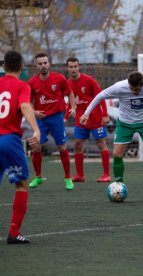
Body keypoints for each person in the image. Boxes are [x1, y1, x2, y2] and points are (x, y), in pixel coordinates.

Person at [79, 71, 143, 193]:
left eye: (136, 89)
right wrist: (86, 113)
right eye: (131, 89)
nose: (134, 92)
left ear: (142, 84)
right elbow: (100, 95)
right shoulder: (120, 87)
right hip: (125, 124)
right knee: (117, 154)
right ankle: (119, 185)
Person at [0, 50, 41, 244]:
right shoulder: (22, 86)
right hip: (8, 140)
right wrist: (36, 130)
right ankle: (14, 232)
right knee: (22, 185)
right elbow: (25, 106)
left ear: (4, 67)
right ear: (22, 67)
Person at [28, 52, 76, 190]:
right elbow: (28, 102)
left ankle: (68, 178)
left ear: (49, 64)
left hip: (56, 117)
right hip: (41, 120)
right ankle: (38, 177)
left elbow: (70, 93)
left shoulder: (59, 78)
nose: (43, 66)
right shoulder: (32, 82)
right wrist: (35, 112)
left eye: (45, 63)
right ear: (36, 66)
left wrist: (73, 107)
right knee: (36, 147)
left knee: (62, 147)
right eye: (40, 64)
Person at [65, 57, 111, 182]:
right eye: (71, 67)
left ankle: (106, 174)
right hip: (81, 120)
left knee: (101, 143)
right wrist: (65, 117)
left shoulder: (89, 80)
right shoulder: (68, 83)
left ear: (78, 67)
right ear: (67, 68)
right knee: (77, 144)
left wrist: (105, 114)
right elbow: (71, 102)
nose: (73, 69)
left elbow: (101, 96)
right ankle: (80, 175)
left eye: (75, 66)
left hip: (95, 118)